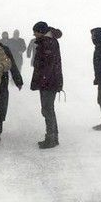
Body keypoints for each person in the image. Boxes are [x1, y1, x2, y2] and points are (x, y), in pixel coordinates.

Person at [29, 21, 63, 149]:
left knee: (47, 110)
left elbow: (48, 66)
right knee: (49, 110)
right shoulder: (49, 41)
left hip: (49, 82)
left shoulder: (48, 43)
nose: (34, 34)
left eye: (35, 31)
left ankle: (51, 139)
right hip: (49, 82)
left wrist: (42, 80)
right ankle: (53, 137)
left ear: (41, 31)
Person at [0, 30, 23, 141]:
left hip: (1, 82)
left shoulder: (4, 49)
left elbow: (12, 65)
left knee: (0, 106)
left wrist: (17, 79)